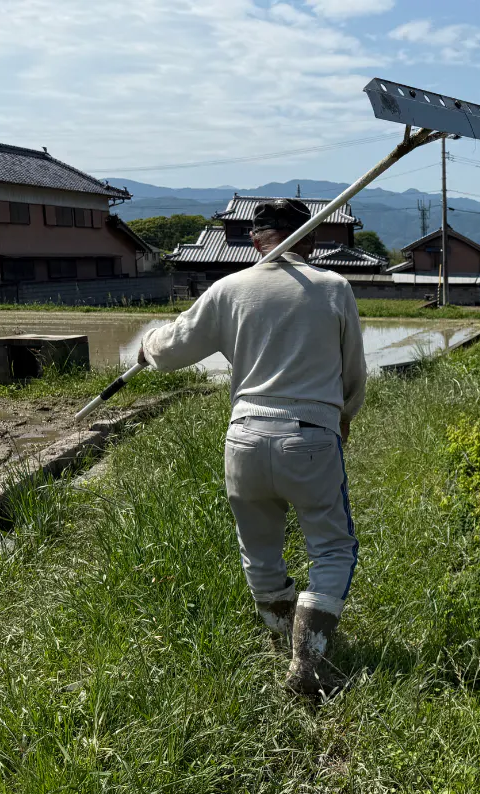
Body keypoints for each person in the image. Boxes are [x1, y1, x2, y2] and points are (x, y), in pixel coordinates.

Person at [136, 199, 366, 697]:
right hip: (310, 434)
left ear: (254, 240)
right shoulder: (333, 288)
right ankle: (307, 660)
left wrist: (147, 345)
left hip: (243, 436)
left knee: (259, 548)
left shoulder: (229, 289)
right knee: (333, 548)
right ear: (311, 239)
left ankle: (282, 638)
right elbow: (353, 372)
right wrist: (343, 417)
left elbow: (171, 349)